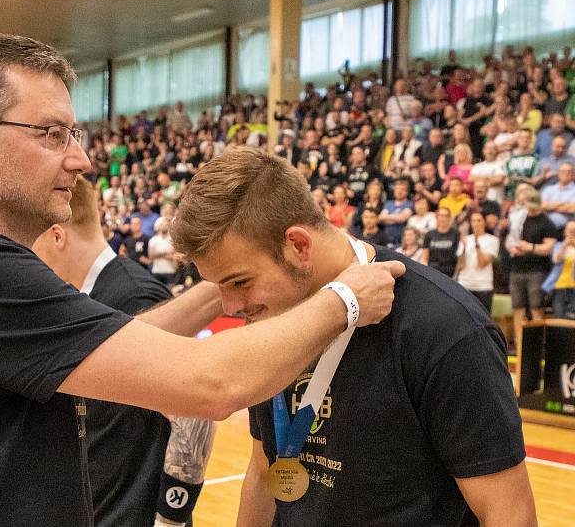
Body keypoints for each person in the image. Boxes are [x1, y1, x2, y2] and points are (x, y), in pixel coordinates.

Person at [0, 31, 402, 527]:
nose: (80, 159)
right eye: (50, 133)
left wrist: (229, 281)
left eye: (73, 134)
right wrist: (347, 295)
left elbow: (122, 341)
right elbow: (211, 383)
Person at [170, 146, 535, 527]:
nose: (229, 306)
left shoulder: (443, 327)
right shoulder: (272, 323)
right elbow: (264, 470)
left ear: (298, 245)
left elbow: (509, 514)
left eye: (239, 282)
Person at [33, 176, 213, 527]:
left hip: (135, 515)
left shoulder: (135, 295)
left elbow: (193, 413)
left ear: (56, 235)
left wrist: (170, 517)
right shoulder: (83, 297)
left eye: (29, 243)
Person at [508, 189, 558, 349]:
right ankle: (519, 343)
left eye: (533, 207)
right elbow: (511, 238)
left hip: (537, 270)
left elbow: (549, 247)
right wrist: (514, 248)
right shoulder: (521, 218)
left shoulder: (547, 223)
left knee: (536, 308)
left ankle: (537, 345)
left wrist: (530, 247)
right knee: (517, 308)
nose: (530, 210)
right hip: (517, 268)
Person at [456, 212, 500, 313]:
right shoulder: (465, 240)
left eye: (479, 220)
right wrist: (463, 248)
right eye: (473, 221)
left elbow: (482, 264)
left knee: (484, 319)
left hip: (483, 286)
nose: (476, 223)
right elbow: (460, 266)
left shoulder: (493, 240)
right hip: (465, 284)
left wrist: (477, 243)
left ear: (484, 222)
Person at [542, 220, 575, 319]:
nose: (572, 233)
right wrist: (564, 246)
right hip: (559, 286)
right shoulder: (559, 246)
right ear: (565, 231)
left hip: (573, 287)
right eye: (570, 231)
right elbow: (556, 259)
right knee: (559, 315)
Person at [422, 207, 460, 278]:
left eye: (445, 216)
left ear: (449, 218)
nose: (443, 218)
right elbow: (424, 258)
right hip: (432, 271)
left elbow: (459, 257)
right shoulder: (429, 234)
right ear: (437, 217)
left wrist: (456, 275)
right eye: (441, 215)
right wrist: (426, 273)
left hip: (450, 273)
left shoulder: (456, 234)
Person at [540, 162, 575, 233]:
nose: (566, 174)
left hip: (564, 229)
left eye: (569, 171)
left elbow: (572, 208)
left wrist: (550, 206)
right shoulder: (548, 189)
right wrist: (565, 205)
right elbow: (542, 205)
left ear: (573, 175)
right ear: (558, 174)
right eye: (562, 171)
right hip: (543, 225)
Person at [378, 179, 414, 248]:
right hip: (386, 241)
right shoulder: (388, 203)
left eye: (402, 189)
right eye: (397, 189)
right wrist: (396, 218)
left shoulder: (409, 204)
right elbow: (380, 218)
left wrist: (387, 217)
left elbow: (402, 218)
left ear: (407, 192)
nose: (399, 191)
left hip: (401, 242)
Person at [148, 217, 178, 286]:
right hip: (156, 271)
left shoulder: (173, 240)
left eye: (166, 224)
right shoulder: (153, 240)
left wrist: (158, 255)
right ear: (158, 226)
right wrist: (166, 253)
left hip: (170, 271)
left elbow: (174, 255)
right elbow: (151, 256)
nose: (165, 226)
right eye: (162, 224)